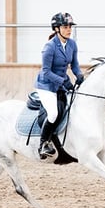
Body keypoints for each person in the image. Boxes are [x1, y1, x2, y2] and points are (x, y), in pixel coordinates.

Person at [34, 12, 84, 159]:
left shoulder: (72, 44)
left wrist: (79, 75)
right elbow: (46, 71)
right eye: (65, 26)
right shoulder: (49, 47)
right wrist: (63, 81)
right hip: (46, 85)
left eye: (70, 26)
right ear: (57, 29)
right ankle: (43, 144)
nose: (69, 29)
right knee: (54, 113)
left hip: (61, 83)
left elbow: (74, 65)